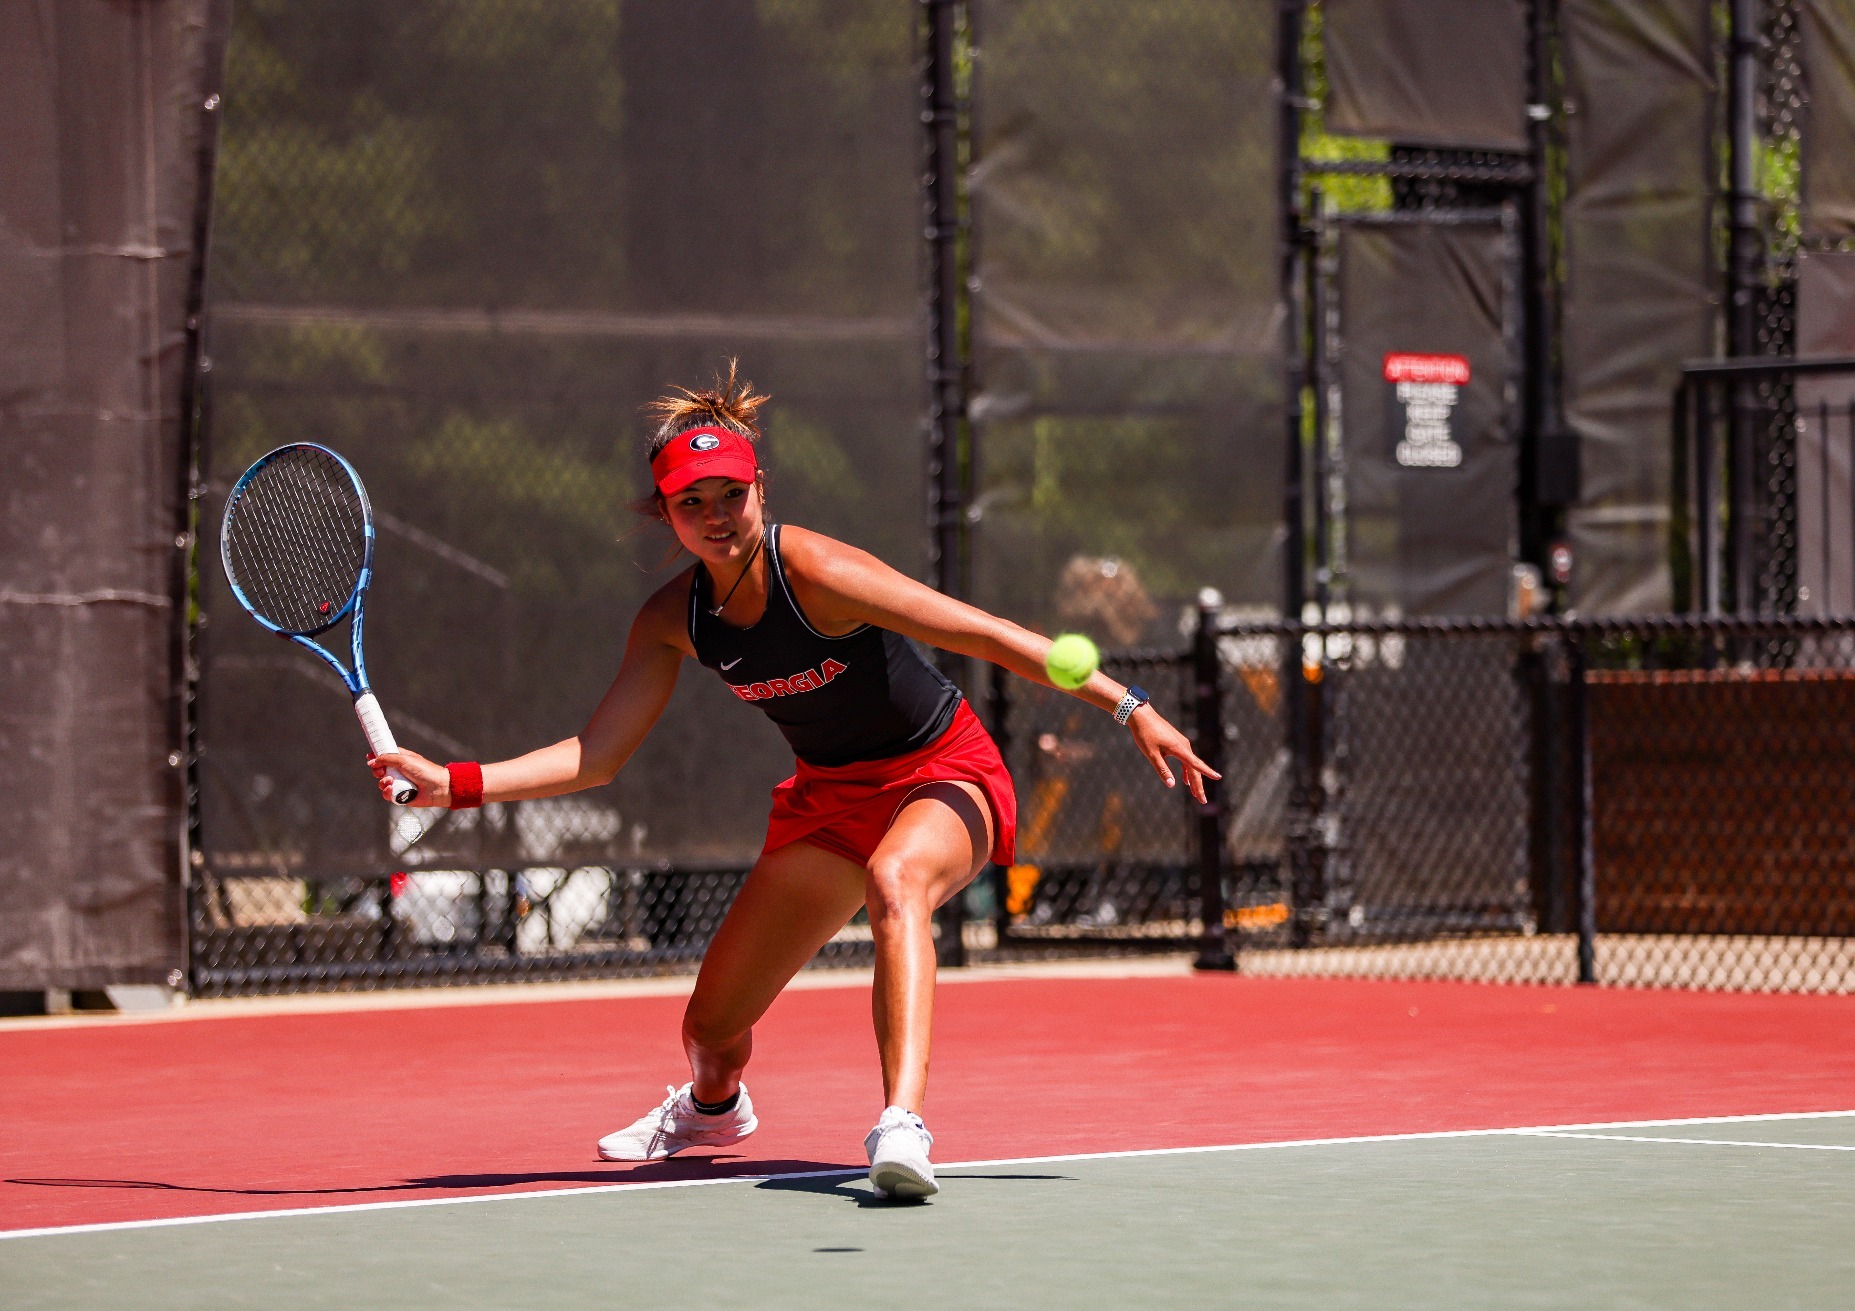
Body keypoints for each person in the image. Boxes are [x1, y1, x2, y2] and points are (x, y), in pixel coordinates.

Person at [369, 365, 1218, 1200]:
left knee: (897, 881)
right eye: (690, 502)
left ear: (759, 487)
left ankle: (902, 1125)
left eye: (728, 494)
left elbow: (983, 633)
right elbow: (598, 755)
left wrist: (1128, 703)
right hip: (829, 801)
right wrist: (456, 782)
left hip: (942, 771)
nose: (714, 517)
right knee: (710, 1028)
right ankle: (711, 1110)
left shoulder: (816, 571)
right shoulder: (673, 620)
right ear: (664, 512)